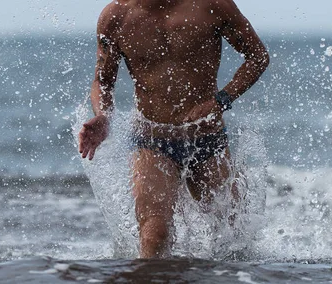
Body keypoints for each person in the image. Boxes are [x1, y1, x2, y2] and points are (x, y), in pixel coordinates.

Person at [78, 0, 269, 258]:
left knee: (233, 240)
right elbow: (102, 81)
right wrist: (103, 114)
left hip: (206, 139)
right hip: (152, 141)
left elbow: (257, 57)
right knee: (154, 237)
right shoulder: (116, 16)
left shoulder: (213, 5)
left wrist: (221, 100)